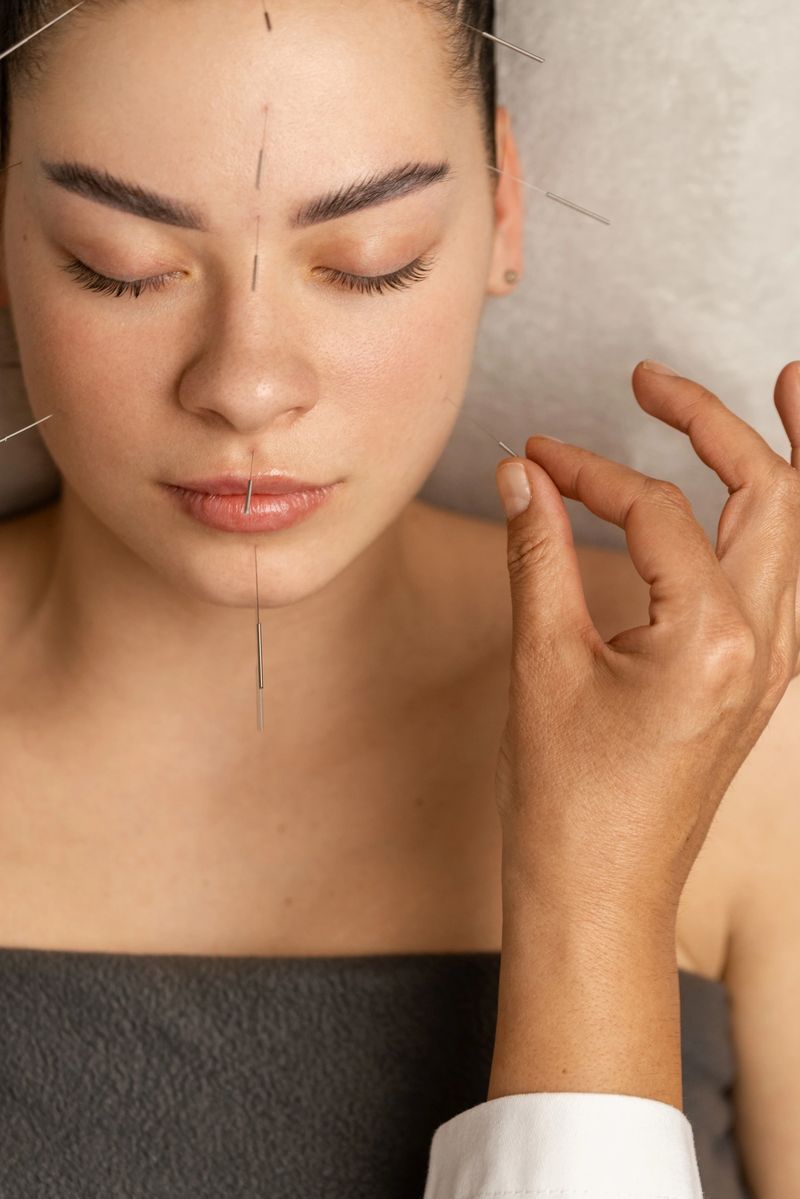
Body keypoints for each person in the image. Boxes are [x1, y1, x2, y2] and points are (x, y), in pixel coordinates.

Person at [1, 1, 799, 1196]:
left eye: (370, 261)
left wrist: (598, 884)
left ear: (502, 212)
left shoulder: (730, 711)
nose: (249, 383)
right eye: (121, 267)